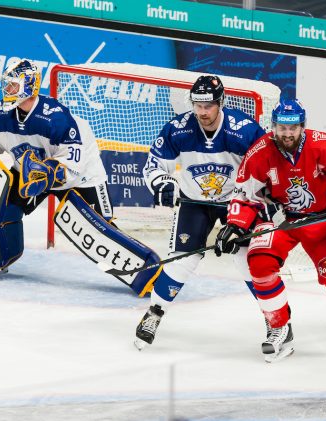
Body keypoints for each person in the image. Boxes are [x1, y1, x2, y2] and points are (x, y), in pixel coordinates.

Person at [0, 59, 158, 293]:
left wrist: (50, 172)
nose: (6, 91)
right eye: (6, 86)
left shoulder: (56, 118)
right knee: (2, 206)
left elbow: (73, 162)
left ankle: (145, 271)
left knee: (98, 231)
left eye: (13, 86)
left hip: (81, 176)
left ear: (29, 86)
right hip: (29, 175)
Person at [215, 99, 326, 363]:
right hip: (283, 219)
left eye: (293, 128)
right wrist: (234, 225)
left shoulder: (322, 144)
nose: (287, 134)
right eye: (282, 128)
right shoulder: (259, 153)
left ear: (302, 127)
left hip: (325, 221)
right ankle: (279, 329)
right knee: (260, 263)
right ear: (273, 127)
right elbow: (244, 195)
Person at [134, 75, 266, 350]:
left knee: (249, 261)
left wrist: (265, 198)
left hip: (236, 203)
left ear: (220, 103)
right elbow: (154, 165)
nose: (202, 112)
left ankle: (274, 320)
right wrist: (162, 182)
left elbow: (265, 169)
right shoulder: (178, 129)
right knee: (181, 259)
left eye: (208, 106)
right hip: (195, 201)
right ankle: (154, 313)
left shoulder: (245, 131)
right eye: (198, 105)